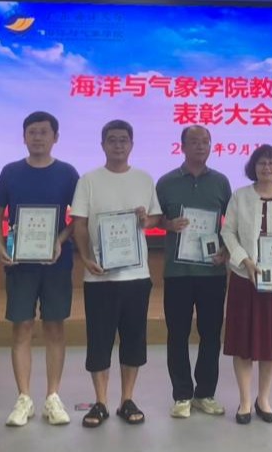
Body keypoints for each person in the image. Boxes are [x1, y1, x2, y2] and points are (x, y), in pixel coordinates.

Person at [0, 111, 79, 427]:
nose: (38, 137)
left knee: (55, 328)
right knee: (22, 327)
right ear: (24, 137)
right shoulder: (10, 171)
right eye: (32, 132)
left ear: (55, 137)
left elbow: (78, 217)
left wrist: (60, 240)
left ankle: (52, 397)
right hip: (20, 264)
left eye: (44, 132)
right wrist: (0, 246)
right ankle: (24, 398)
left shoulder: (67, 173)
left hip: (57, 262)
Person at [71, 119, 162, 427]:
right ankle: (100, 402)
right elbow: (79, 224)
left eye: (124, 139)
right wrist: (85, 258)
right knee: (99, 341)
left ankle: (127, 399)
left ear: (131, 144)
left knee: (134, 340)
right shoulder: (88, 180)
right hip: (99, 276)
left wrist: (146, 220)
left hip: (136, 276)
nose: (118, 145)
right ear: (103, 145)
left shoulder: (144, 179)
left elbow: (154, 219)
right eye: (112, 139)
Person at [155, 125, 232, 419]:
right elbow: (154, 218)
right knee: (177, 334)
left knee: (211, 334)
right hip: (178, 272)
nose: (201, 146)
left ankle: (205, 394)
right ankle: (182, 395)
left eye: (206, 142)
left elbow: (232, 223)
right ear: (182, 146)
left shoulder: (221, 182)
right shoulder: (166, 182)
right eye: (194, 142)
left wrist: (225, 250)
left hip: (212, 272)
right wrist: (168, 224)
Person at [221, 145, 272, 424]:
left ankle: (263, 399)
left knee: (271, 343)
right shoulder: (240, 196)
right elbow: (228, 232)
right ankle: (244, 401)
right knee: (243, 343)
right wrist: (245, 261)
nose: (267, 168)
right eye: (262, 163)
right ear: (253, 166)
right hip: (244, 279)